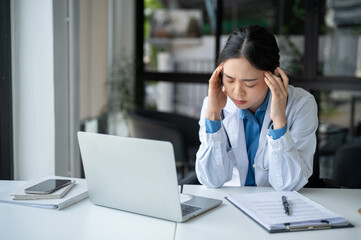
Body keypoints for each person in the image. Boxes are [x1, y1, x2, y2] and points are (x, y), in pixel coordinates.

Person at [195, 25, 318, 191]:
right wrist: (213, 115)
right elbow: (211, 180)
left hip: (277, 206)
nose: (237, 92)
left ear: (273, 76)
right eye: (230, 80)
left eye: (249, 83)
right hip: (231, 204)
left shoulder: (301, 104)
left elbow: (289, 184)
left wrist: (279, 121)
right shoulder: (213, 104)